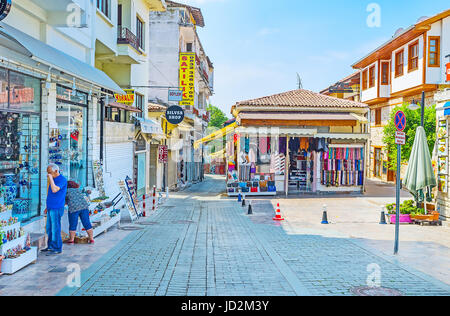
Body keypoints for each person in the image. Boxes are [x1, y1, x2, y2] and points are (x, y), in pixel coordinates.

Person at [41, 164, 67, 255]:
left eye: (50, 172)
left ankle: (57, 247)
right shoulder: (51, 179)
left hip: (57, 207)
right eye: (48, 173)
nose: (48, 174)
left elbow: (55, 189)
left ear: (56, 171)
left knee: (55, 228)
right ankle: (50, 246)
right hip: (50, 207)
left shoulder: (62, 180)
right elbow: (49, 193)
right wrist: (46, 206)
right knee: (49, 228)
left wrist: (51, 179)